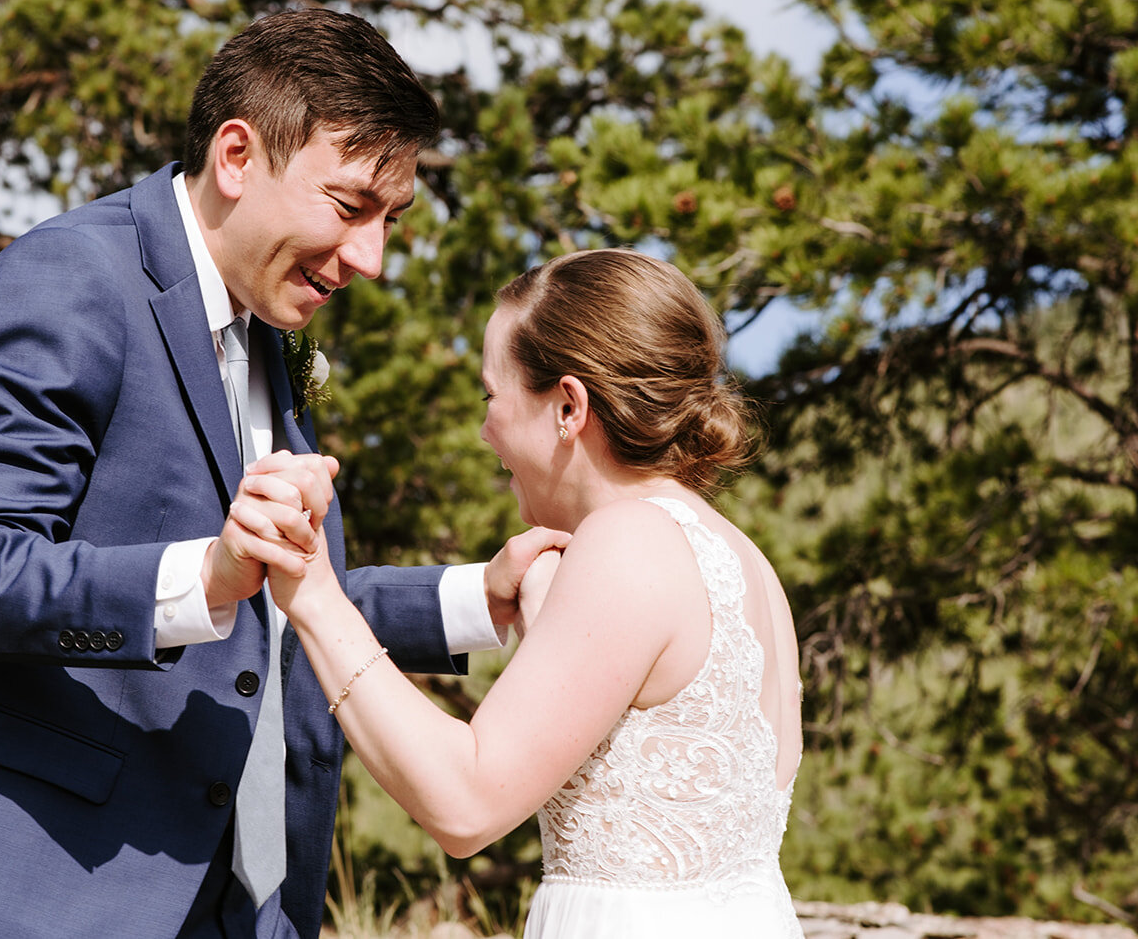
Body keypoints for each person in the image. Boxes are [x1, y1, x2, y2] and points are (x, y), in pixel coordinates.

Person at [0, 8, 565, 939]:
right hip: (46, 901)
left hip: (249, 910)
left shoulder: (264, 331)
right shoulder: (72, 279)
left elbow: (273, 595)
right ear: (238, 156)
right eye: (349, 206)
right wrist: (202, 577)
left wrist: (478, 599)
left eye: (391, 219)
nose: (371, 258)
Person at [256, 249, 806, 938]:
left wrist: (313, 594)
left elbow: (464, 802)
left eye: (492, 395)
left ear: (569, 406)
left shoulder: (628, 543)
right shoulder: (739, 557)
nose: (485, 429)